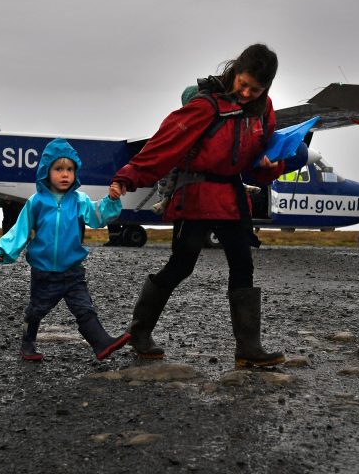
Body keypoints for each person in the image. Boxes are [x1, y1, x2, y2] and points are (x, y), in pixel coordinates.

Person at [111, 43, 291, 368]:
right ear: (235, 71)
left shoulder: (263, 111)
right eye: (243, 84)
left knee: (243, 265)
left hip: (232, 197)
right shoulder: (205, 106)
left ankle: (248, 349)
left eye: (256, 89)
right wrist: (129, 176)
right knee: (182, 265)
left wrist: (269, 163)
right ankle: (139, 332)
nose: (247, 93)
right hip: (195, 192)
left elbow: (257, 159)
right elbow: (165, 143)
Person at [0, 138, 130, 362]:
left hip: (73, 270)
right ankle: (27, 344)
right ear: (46, 171)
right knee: (36, 310)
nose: (65, 174)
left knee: (84, 307)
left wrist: (111, 200)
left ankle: (101, 342)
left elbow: (98, 216)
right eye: (58, 169)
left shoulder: (79, 200)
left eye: (69, 169)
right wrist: (5, 249)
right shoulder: (37, 202)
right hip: (44, 271)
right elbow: (21, 229)